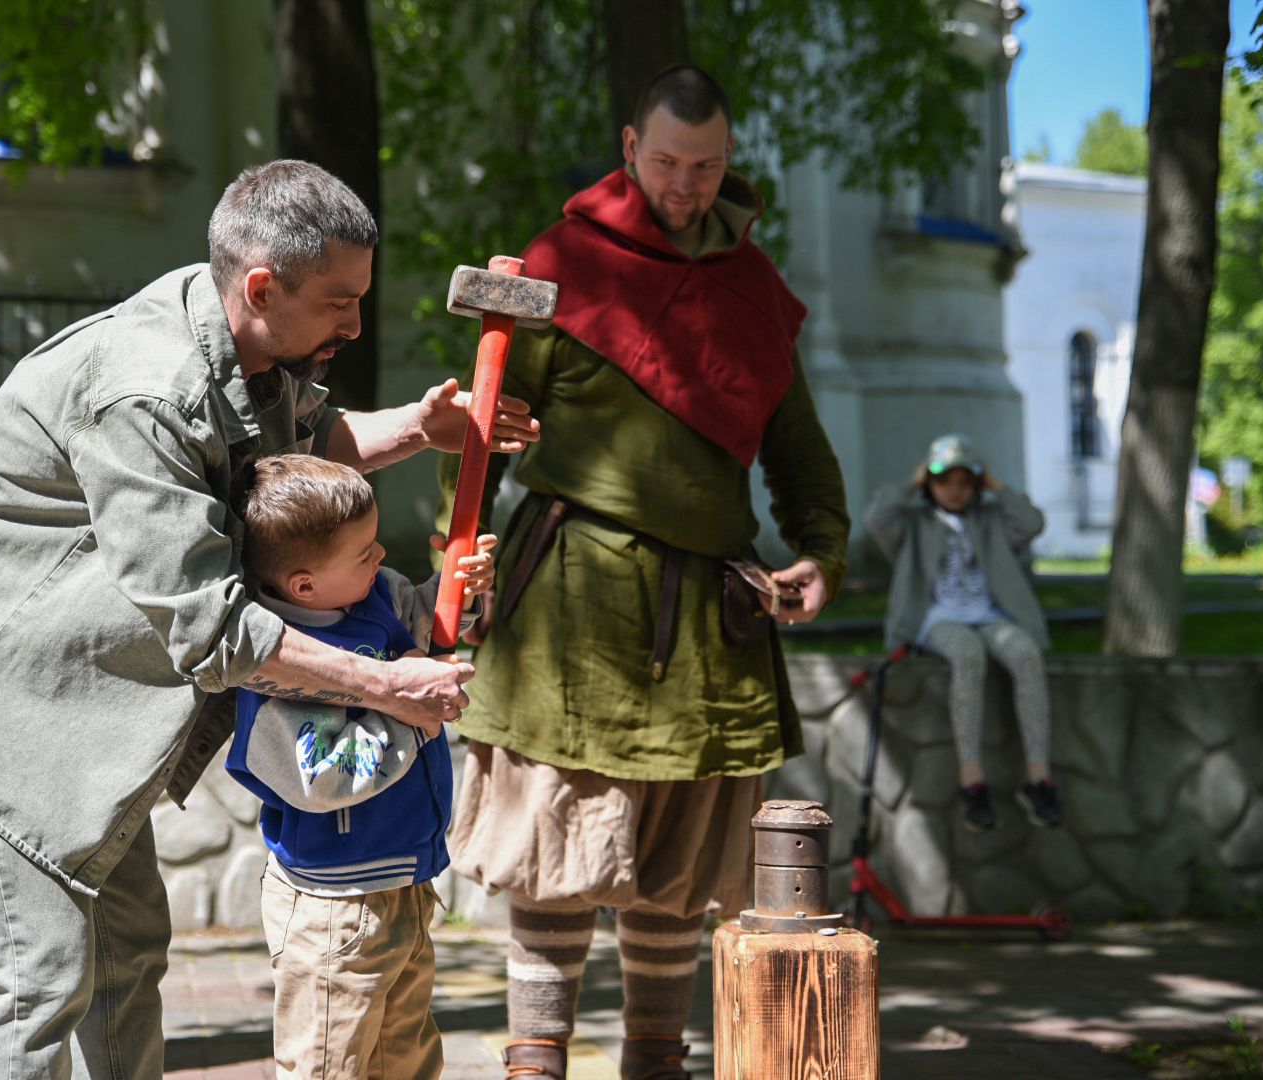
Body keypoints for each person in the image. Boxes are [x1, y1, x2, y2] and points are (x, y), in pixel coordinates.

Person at [0, 159, 539, 1079]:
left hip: (78, 703)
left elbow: (296, 451)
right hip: (2, 696)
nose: (355, 323)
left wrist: (423, 429)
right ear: (262, 288)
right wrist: (387, 685)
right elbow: (213, 631)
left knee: (127, 958)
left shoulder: (243, 343)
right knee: (41, 979)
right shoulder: (147, 391)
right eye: (339, 302)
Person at [436, 66, 850, 1080]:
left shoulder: (751, 289)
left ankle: (655, 1064)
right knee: (554, 849)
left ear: (727, 160)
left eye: (706, 166)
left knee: (680, 861)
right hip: (569, 599)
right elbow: (486, 423)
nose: (685, 184)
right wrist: (460, 555)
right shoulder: (560, 264)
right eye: (667, 162)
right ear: (630, 149)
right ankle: (535, 1066)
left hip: (708, 609)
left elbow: (796, 445)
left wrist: (822, 548)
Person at [226, 453, 494, 1079]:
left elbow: (427, 625)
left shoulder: (375, 595)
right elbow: (326, 776)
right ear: (304, 586)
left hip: (404, 882)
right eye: (364, 552)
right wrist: (412, 716)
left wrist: (461, 587)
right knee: (330, 1064)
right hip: (335, 907)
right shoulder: (281, 670)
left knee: (406, 1059)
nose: (381, 556)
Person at [864, 433, 1065, 832]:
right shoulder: (914, 522)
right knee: (968, 654)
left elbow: (1032, 522)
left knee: (1026, 654)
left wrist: (994, 485)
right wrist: (913, 483)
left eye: (964, 482)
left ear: (976, 484)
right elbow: (876, 518)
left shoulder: (989, 518)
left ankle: (1038, 778)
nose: (954, 490)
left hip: (989, 614)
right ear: (929, 482)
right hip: (935, 618)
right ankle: (971, 780)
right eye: (943, 481)